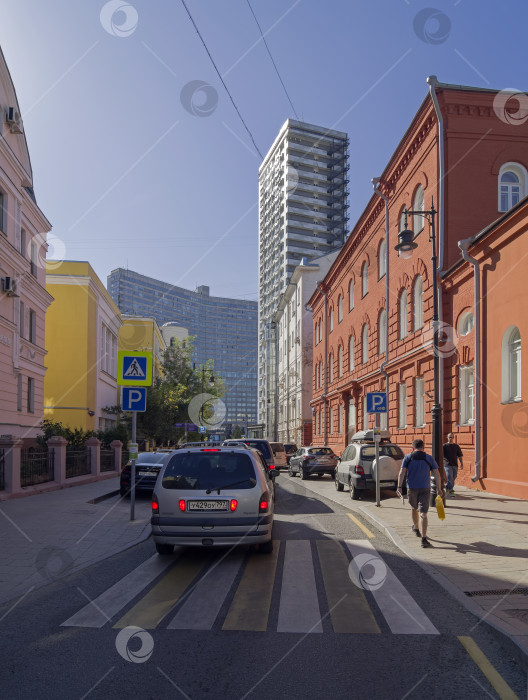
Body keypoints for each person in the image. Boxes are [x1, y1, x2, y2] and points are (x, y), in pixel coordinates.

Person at [396, 438, 443, 548]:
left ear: (412, 448)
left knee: (413, 508)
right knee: (423, 513)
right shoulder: (429, 458)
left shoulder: (408, 457)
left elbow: (401, 472)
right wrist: (439, 489)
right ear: (423, 447)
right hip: (425, 489)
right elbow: (437, 474)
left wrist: (399, 487)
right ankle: (424, 539)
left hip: (411, 488)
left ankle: (416, 528)